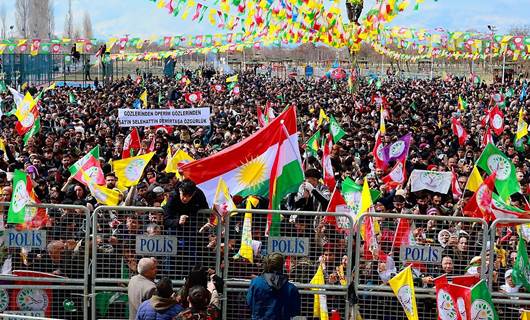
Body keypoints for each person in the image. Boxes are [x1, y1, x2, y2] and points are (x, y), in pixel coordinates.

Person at [246, 253, 301, 320]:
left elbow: (249, 303)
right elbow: (294, 311)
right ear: (282, 266)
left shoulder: (255, 283)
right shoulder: (291, 288)